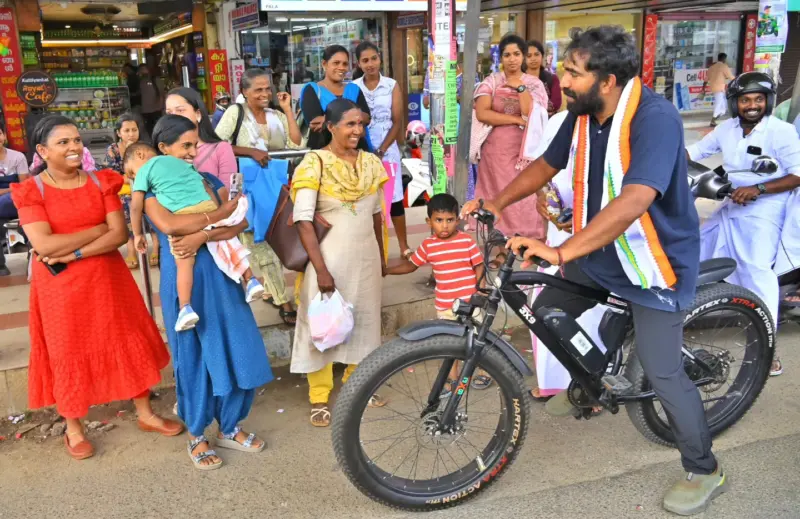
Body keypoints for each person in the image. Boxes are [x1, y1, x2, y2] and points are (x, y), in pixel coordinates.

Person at [463, 26, 726, 515]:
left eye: (573, 72)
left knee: (664, 371)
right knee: (551, 313)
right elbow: (546, 163)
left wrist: (561, 251)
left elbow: (635, 200)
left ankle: (704, 468)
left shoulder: (656, 118)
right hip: (603, 246)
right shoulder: (583, 113)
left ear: (607, 81)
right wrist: (494, 202)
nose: (561, 78)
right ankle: (592, 384)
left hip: (655, 259)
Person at [10, 115, 182, 460]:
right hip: (59, 290)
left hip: (107, 279)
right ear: (42, 150)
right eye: (64, 143)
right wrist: (94, 231)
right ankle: (74, 430)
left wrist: (72, 250)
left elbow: (118, 235)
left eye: (77, 140)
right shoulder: (32, 190)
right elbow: (42, 245)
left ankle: (145, 413)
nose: (74, 147)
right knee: (66, 350)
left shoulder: (99, 181)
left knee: (123, 338)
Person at [137, 117, 273, 470]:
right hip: (186, 282)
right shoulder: (155, 191)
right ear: (163, 149)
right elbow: (169, 226)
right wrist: (217, 218)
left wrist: (203, 234)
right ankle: (196, 434)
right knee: (194, 354)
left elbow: (240, 222)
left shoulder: (209, 181)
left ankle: (230, 426)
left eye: (195, 145)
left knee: (238, 345)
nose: (192, 152)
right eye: (185, 145)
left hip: (224, 275)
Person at [689, 72, 800, 377]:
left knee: (755, 269)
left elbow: (797, 174)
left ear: (767, 101)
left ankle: (768, 350)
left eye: (758, 99)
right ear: (735, 103)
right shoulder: (727, 129)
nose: (751, 105)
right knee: (693, 248)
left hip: (766, 208)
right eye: (745, 100)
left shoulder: (781, 132)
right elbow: (694, 153)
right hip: (730, 202)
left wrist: (759, 189)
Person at [291, 99, 388, 427]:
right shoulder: (314, 163)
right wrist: (321, 270)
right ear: (330, 127)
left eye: (361, 124)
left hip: (366, 259)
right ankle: (319, 397)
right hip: (328, 262)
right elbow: (303, 220)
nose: (357, 130)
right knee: (323, 326)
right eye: (350, 124)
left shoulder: (372, 163)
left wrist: (382, 258)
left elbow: (376, 214)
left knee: (363, 321)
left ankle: (357, 384)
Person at [127, 137, 265, 331]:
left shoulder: (146, 171)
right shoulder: (182, 165)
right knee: (227, 241)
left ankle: (185, 307)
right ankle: (250, 279)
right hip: (207, 206)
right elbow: (201, 185)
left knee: (184, 259)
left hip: (183, 214)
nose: (133, 177)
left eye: (131, 172)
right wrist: (215, 215)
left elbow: (135, 207)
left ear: (139, 155)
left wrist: (138, 233)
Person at [216, 67, 300, 325]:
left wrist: (287, 110)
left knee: (281, 235)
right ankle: (281, 298)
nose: (265, 93)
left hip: (276, 185)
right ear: (244, 92)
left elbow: (295, 144)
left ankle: (272, 290)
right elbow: (216, 145)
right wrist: (250, 152)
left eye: (268, 88)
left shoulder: (276, 114)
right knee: (259, 242)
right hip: (249, 187)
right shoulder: (235, 112)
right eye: (258, 89)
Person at [387, 193, 492, 390]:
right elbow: (411, 266)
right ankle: (454, 379)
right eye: (439, 220)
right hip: (445, 305)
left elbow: (479, 265)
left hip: (470, 302)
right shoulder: (428, 246)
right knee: (450, 343)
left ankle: (486, 371)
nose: (445, 226)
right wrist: (387, 270)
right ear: (429, 221)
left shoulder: (466, 241)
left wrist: (481, 290)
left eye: (450, 220)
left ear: (457, 220)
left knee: (478, 338)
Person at [473, 34, 549, 251]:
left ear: (523, 57)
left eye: (516, 54)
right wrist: (515, 119)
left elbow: (530, 113)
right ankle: (499, 249)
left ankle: (528, 245)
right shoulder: (492, 82)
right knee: (497, 196)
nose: (512, 59)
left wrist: (520, 88)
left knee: (524, 197)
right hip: (495, 154)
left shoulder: (534, 84)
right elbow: (482, 113)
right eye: (507, 55)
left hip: (525, 152)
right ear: (500, 58)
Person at [353, 41, 412, 259]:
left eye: (373, 59)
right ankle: (374, 248)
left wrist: (382, 149)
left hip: (388, 150)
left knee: (394, 198)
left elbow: (397, 121)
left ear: (380, 59)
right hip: (361, 150)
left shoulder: (391, 85)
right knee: (366, 199)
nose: (370, 64)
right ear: (359, 63)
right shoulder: (354, 87)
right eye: (365, 60)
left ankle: (404, 245)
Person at [103, 113, 159, 269]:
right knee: (125, 203)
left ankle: (155, 247)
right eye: (126, 130)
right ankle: (131, 250)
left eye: (134, 130)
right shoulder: (113, 150)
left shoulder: (144, 148)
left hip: (144, 188)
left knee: (152, 202)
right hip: (124, 191)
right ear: (118, 133)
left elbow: (151, 171)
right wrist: (130, 177)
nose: (131, 134)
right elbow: (111, 175)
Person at [300, 45, 372, 151]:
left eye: (345, 64)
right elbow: (315, 123)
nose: (341, 67)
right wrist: (353, 118)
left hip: (356, 150)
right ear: (324, 64)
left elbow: (367, 118)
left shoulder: (353, 89)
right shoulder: (312, 90)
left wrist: (329, 119)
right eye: (336, 63)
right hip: (324, 152)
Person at [165, 87, 237, 187]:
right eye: (169, 113)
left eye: (180, 110)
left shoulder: (221, 149)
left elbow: (229, 194)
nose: (174, 117)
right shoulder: (165, 151)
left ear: (198, 114)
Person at [0, 126, 29, 276]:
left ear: (4, 136)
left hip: (16, 200)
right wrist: (11, 188)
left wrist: (6, 191)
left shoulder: (17, 157)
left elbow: (23, 186)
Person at [527, 39, 562, 116]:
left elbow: (555, 104)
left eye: (536, 54)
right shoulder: (519, 79)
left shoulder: (552, 78)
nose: (533, 58)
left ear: (542, 56)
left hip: (548, 122)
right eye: (529, 56)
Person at [707, 53, 734, 127]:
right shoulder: (723, 66)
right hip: (720, 88)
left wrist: (703, 89)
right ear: (724, 59)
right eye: (725, 59)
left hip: (714, 88)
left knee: (723, 107)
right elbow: (731, 77)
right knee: (719, 104)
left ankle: (714, 119)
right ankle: (713, 120)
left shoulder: (712, 67)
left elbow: (706, 79)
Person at [31, 143, 95, 174]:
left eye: (77, 140)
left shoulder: (83, 151)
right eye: (63, 142)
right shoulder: (39, 154)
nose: (73, 147)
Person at [138, 64, 164, 136]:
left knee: (158, 128)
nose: (142, 72)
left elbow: (161, 93)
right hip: (146, 110)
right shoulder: (141, 81)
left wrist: (160, 106)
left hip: (156, 109)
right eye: (141, 70)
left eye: (144, 69)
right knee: (149, 129)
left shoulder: (156, 80)